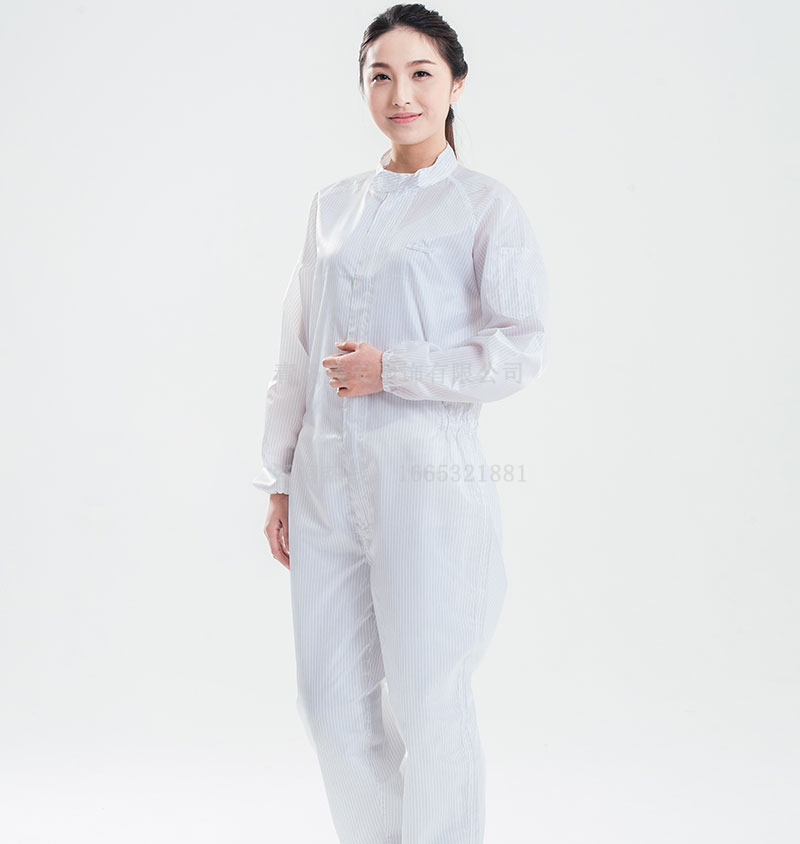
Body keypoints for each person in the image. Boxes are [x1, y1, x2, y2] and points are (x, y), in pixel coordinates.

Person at [252, 5, 550, 842]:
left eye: (421, 74)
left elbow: (519, 350)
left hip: (425, 484)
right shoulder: (332, 208)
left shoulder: (483, 207)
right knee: (328, 703)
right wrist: (278, 477)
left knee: (430, 699)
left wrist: (395, 368)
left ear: (456, 83)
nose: (401, 94)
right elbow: (296, 349)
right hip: (322, 485)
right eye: (380, 76)